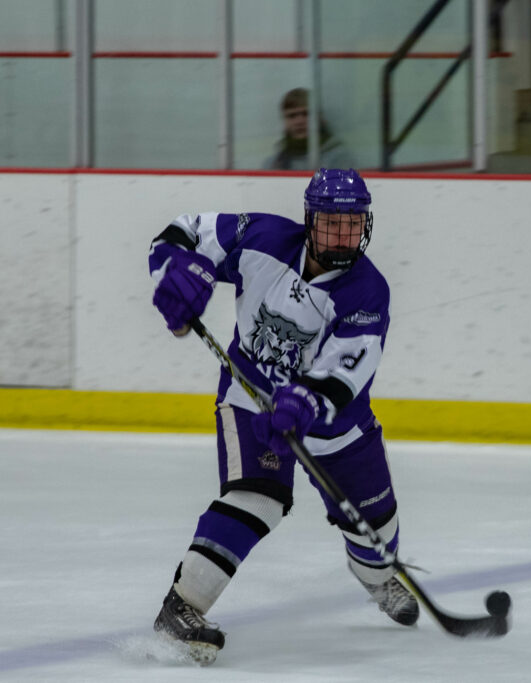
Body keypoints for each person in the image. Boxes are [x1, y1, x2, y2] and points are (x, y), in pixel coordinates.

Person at [147, 168, 416, 664]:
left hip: (338, 426)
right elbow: (183, 231)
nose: (343, 235)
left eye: (353, 224)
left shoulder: (368, 290)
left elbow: (346, 371)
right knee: (260, 498)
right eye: (332, 223)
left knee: (377, 529)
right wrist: (175, 272)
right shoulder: (263, 237)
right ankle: (181, 608)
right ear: (310, 220)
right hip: (251, 397)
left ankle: (379, 580)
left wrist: (306, 402)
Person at [262, 88, 350, 170]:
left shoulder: (339, 159)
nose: (299, 121)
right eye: (292, 116)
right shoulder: (274, 163)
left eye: (306, 114)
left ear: (319, 117)